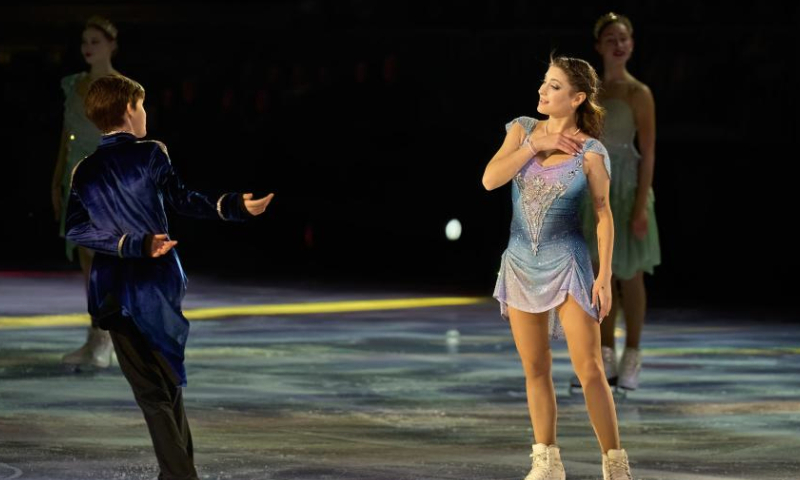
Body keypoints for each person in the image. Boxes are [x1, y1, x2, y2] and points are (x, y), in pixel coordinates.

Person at [66, 74, 274, 479]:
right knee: (160, 391)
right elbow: (183, 200)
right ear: (128, 110)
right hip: (152, 288)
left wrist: (126, 244)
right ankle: (181, 475)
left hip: (112, 293)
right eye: (141, 106)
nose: (145, 113)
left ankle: (177, 472)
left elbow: (77, 230)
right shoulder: (150, 154)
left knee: (158, 391)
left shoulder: (84, 170)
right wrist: (231, 206)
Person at [484, 56, 633, 479]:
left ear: (577, 97)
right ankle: (546, 462)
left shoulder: (590, 151)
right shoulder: (522, 130)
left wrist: (604, 276)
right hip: (519, 263)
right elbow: (490, 179)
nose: (541, 92)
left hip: (568, 263)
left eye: (552, 87)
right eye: (543, 84)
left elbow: (604, 215)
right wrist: (534, 146)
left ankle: (615, 464)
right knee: (536, 368)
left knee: (589, 369)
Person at [579, 12, 661, 391]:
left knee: (631, 276)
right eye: (611, 37)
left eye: (625, 37)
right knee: (601, 276)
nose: (619, 43)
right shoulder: (590, 92)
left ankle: (632, 356)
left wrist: (642, 203)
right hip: (595, 190)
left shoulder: (638, 93)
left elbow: (648, 151)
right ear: (599, 46)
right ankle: (605, 355)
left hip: (628, 190)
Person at [51, 15, 121, 369]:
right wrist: (56, 181)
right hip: (75, 181)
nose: (88, 48)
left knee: (102, 261)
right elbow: (67, 136)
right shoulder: (73, 85)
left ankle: (108, 339)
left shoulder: (124, 88)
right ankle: (95, 336)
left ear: (111, 44)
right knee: (85, 261)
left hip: (107, 183)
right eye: (84, 42)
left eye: (95, 41)